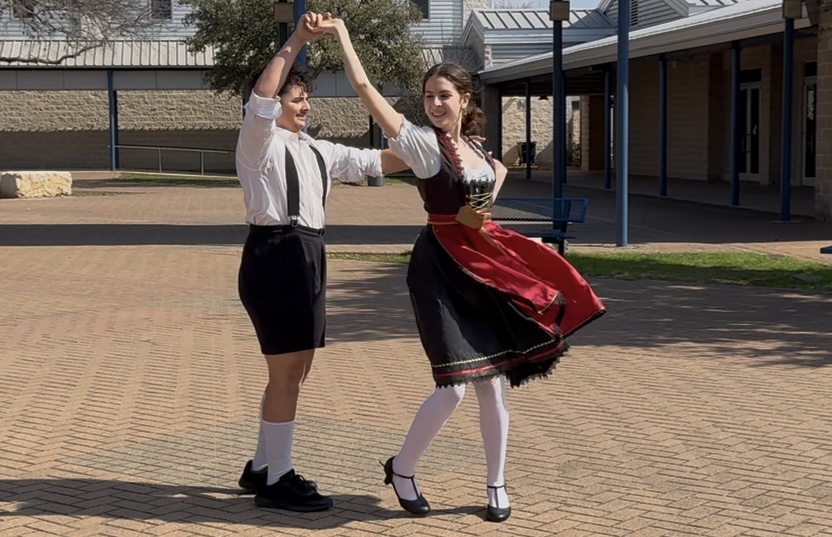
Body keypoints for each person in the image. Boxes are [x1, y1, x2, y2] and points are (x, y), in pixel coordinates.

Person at [307, 15, 606, 522]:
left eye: (443, 95)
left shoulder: (483, 152)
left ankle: (496, 484)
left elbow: (491, 190)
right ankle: (403, 468)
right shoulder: (424, 146)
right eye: (428, 96)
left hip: (481, 267)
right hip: (440, 268)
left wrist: (495, 223)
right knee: (454, 385)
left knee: (493, 383)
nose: (434, 104)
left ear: (465, 100)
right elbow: (363, 88)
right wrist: (341, 35)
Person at [234, 13, 407, 513]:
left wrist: (436, 142)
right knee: (287, 371)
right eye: (296, 98)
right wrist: (297, 40)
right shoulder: (257, 141)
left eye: (306, 97)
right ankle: (278, 481)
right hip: (276, 254)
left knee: (295, 370)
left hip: (307, 254)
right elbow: (262, 100)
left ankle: (262, 466)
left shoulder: (317, 149)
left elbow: (378, 162)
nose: (304, 105)